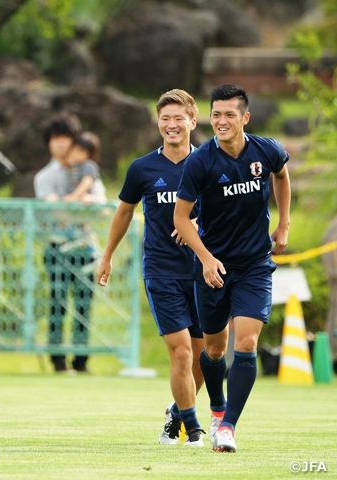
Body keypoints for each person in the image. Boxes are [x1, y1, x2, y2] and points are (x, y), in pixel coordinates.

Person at [174, 84, 291, 453]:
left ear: (245, 118)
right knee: (212, 350)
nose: (222, 121)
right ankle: (217, 406)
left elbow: (282, 174)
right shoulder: (200, 161)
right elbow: (181, 218)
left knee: (247, 342)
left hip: (255, 264)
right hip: (213, 267)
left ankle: (228, 427)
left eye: (229, 114)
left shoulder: (266, 150)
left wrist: (284, 223)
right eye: (216, 114)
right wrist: (206, 259)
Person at [96, 89, 206, 446]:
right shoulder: (142, 168)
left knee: (205, 359)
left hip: (203, 271)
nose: (171, 125)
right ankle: (193, 429)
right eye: (165, 119)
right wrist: (107, 255)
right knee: (181, 351)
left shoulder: (209, 163)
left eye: (178, 118)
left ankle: (176, 412)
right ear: (158, 123)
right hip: (161, 271)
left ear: (192, 120)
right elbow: (124, 212)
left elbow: (226, 211)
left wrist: (193, 222)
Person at [34, 113, 104, 373]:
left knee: (84, 305)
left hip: (86, 247)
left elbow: (103, 206)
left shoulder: (88, 170)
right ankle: (58, 360)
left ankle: (82, 360)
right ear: (49, 143)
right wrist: (82, 205)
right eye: (55, 138)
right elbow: (56, 212)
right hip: (57, 247)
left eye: (66, 138)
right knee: (58, 304)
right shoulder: (44, 176)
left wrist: (77, 205)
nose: (62, 144)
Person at [63, 132, 102, 204]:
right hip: (79, 199)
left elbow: (87, 182)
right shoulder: (74, 165)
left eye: (81, 151)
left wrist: (73, 196)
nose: (76, 154)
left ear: (89, 154)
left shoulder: (88, 165)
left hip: (91, 196)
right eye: (74, 150)